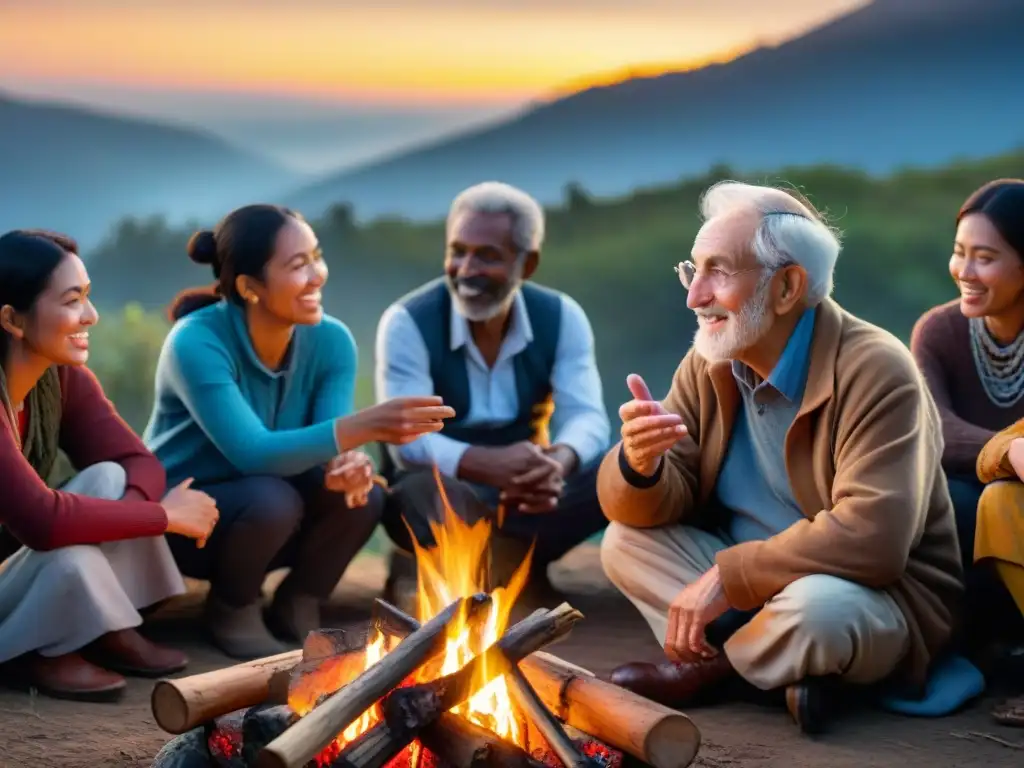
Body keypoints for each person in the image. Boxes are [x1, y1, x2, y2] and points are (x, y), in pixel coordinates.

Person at [597, 182, 963, 734]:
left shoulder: (876, 370)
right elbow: (653, 505)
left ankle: (717, 672)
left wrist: (727, 577)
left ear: (788, 286)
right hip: (756, 589)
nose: (695, 295)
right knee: (624, 543)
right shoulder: (711, 360)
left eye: (717, 272)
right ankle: (790, 674)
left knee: (820, 613)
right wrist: (639, 465)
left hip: (868, 595)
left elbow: (875, 539)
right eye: (691, 270)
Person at [144, 204, 454, 659]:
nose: (317, 275)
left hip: (270, 513)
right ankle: (233, 607)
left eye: (316, 257)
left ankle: (299, 602)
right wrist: (368, 424)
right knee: (272, 497)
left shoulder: (330, 341)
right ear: (249, 287)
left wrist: (347, 468)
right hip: (185, 521)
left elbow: (328, 440)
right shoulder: (196, 341)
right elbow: (252, 453)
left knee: (363, 497)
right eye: (297, 265)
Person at [0, 229, 219, 701]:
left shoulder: (58, 377)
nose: (91, 316)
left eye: (88, 297)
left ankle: (101, 623)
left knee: (109, 478)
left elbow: (137, 461)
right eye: (72, 300)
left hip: (10, 566)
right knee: (70, 548)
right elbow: (42, 522)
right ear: (13, 320)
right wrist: (164, 516)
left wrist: (130, 517)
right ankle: (45, 648)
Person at [375, 181, 610, 597]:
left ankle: (490, 566)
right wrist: (483, 462)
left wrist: (557, 462)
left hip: (528, 487)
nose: (466, 270)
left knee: (622, 469)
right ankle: (508, 569)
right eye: (457, 252)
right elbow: (406, 442)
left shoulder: (561, 316)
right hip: (445, 485)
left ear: (528, 263)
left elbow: (588, 417)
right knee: (426, 492)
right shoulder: (407, 321)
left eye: (487, 256)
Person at [911, 179, 1024, 652]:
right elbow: (931, 429)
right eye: (960, 252)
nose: (966, 270)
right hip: (966, 512)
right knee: (948, 499)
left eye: (986, 257)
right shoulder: (940, 331)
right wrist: (1009, 449)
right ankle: (970, 647)